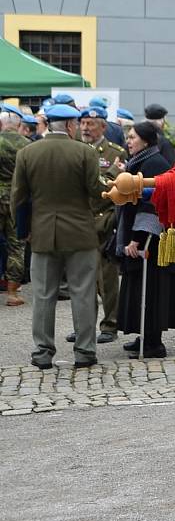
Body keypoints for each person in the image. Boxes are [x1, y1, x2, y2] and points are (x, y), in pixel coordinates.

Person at [10, 104, 100, 369]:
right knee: (83, 293)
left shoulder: (27, 153)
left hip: (42, 233)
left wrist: (23, 230)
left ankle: (43, 352)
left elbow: (19, 198)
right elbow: (95, 190)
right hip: (80, 232)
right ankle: (84, 352)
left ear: (48, 124)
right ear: (71, 126)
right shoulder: (85, 152)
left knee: (43, 295)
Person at [115, 122, 175, 359]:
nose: (128, 141)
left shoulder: (154, 163)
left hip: (154, 239)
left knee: (152, 288)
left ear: (146, 141)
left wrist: (137, 239)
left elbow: (153, 207)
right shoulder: (141, 161)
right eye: (128, 137)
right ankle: (144, 335)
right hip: (148, 236)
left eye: (132, 137)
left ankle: (153, 343)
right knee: (140, 287)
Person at [63, 106, 125, 345]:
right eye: (83, 123)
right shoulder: (74, 149)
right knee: (80, 279)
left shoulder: (114, 152)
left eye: (91, 124)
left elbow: (112, 185)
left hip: (103, 220)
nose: (86, 128)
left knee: (106, 278)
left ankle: (110, 324)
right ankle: (82, 326)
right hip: (79, 220)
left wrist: (109, 172)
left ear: (103, 127)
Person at [0, 104, 31, 306]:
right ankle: (12, 293)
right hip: (16, 199)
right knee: (16, 246)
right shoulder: (28, 145)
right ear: (19, 125)